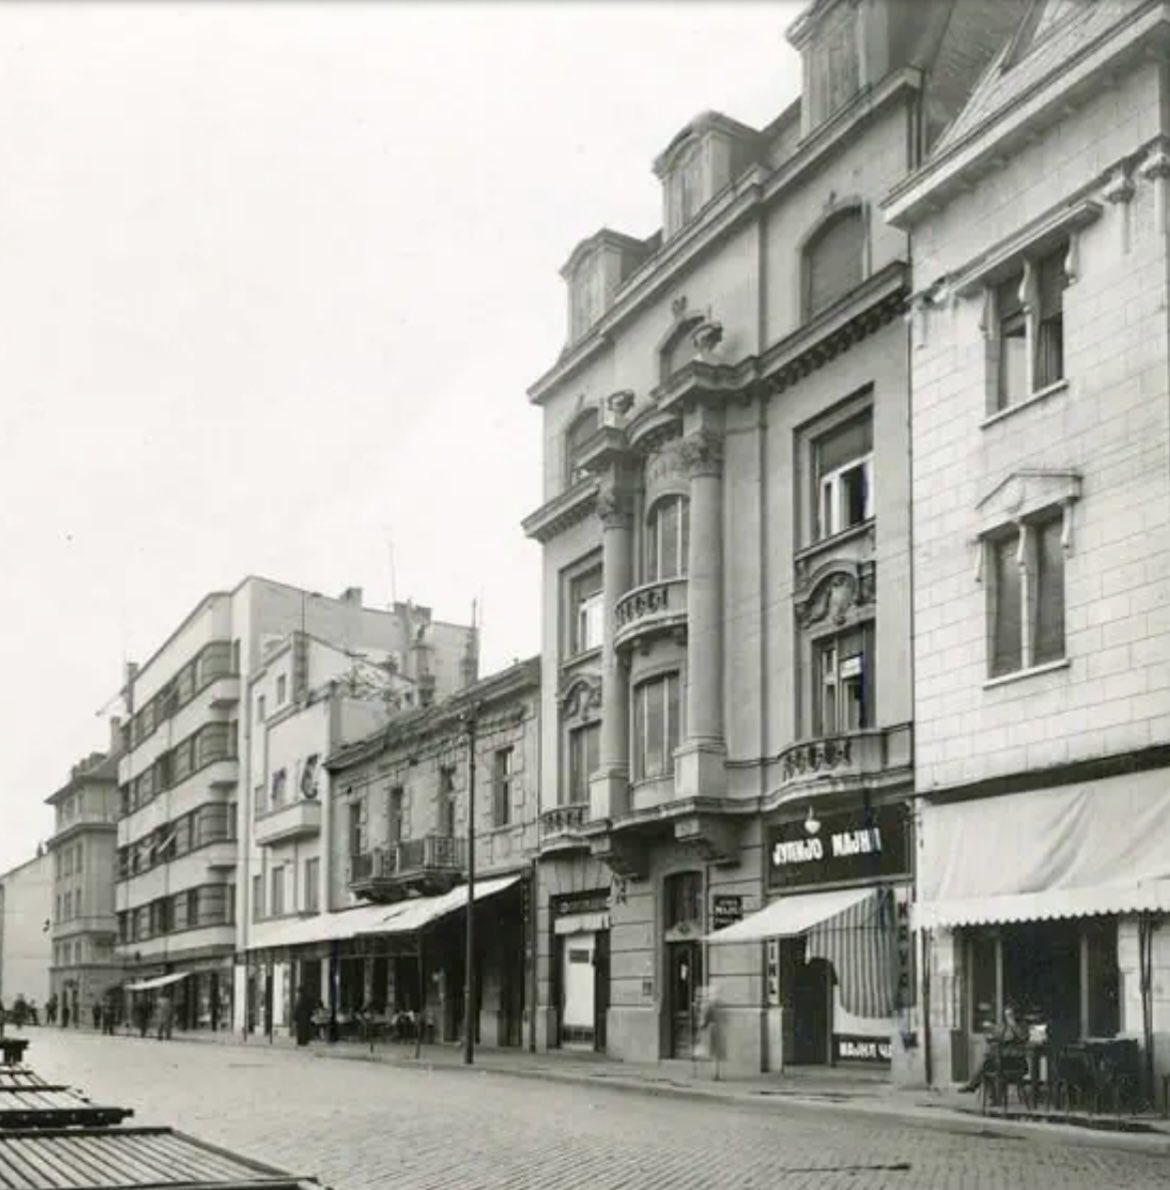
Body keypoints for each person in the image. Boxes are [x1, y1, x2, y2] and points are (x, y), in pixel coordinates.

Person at [960, 1004, 1030, 1093]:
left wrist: (1014, 1025)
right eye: (1007, 1015)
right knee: (987, 1066)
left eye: (1011, 1014)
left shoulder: (1022, 1025)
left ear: (1016, 1014)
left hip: (1017, 1062)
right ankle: (988, 1094)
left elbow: (1024, 1037)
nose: (1009, 1017)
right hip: (1002, 1060)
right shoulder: (1004, 1026)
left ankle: (974, 1086)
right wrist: (991, 1035)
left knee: (987, 1064)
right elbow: (997, 1037)